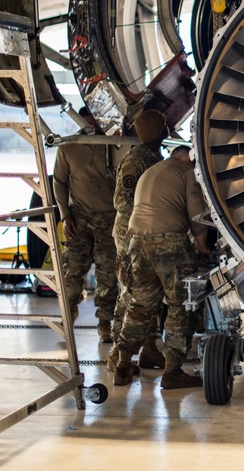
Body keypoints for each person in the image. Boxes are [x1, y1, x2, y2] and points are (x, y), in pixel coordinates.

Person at [110, 145, 211, 389]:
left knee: (140, 304)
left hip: (136, 242)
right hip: (168, 243)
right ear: (188, 157)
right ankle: (173, 370)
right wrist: (202, 248)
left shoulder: (152, 170)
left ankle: (122, 364)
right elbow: (197, 215)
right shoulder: (186, 172)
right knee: (180, 305)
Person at [105, 109, 168, 374]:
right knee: (131, 291)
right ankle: (117, 354)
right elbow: (121, 201)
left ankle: (149, 349)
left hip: (147, 231)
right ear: (158, 132)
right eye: (163, 127)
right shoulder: (135, 160)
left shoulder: (154, 157)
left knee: (150, 290)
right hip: (132, 233)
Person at [53, 106, 118, 341]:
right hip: (78, 218)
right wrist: (65, 214)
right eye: (87, 120)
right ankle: (68, 317)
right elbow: (59, 181)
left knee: (108, 275)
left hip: (109, 218)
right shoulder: (70, 146)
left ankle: (105, 323)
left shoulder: (113, 144)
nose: (91, 125)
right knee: (72, 271)